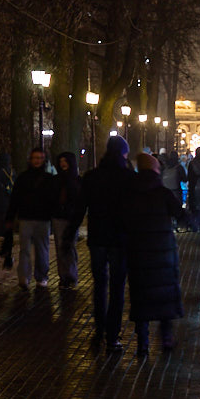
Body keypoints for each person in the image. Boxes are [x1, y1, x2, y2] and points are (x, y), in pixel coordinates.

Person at [67, 135, 135, 350]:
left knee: (99, 286)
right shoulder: (128, 177)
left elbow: (80, 207)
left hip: (97, 237)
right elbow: (136, 210)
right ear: (123, 153)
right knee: (117, 288)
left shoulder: (92, 176)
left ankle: (98, 331)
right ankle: (113, 335)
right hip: (120, 238)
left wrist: (70, 233)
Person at [122, 153, 185, 356]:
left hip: (138, 251)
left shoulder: (130, 193)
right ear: (156, 170)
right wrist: (193, 222)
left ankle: (143, 342)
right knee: (166, 296)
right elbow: (180, 213)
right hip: (163, 251)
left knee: (140, 296)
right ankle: (166, 338)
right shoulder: (163, 193)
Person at [5, 148, 58, 289]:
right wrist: (10, 217)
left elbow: (53, 200)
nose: (37, 161)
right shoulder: (24, 178)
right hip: (27, 218)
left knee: (41, 249)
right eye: (35, 158)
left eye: (40, 158)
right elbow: (15, 199)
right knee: (26, 250)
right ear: (30, 159)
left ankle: (39, 277)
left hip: (41, 219)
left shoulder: (47, 179)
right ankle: (25, 277)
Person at [51, 151, 82, 289]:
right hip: (59, 216)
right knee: (60, 247)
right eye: (61, 161)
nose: (63, 164)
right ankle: (64, 276)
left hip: (71, 217)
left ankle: (71, 275)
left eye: (65, 161)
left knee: (69, 246)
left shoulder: (76, 180)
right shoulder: (57, 179)